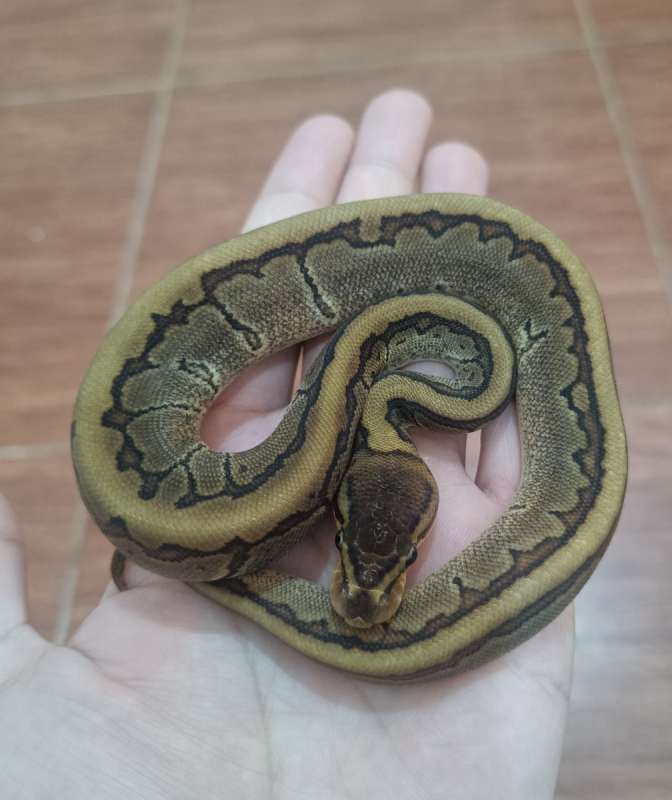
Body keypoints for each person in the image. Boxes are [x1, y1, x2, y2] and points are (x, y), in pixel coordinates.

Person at [0, 89, 573, 799]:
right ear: (335, 493)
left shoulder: (378, 418)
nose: (364, 598)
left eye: (388, 565)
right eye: (387, 565)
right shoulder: (383, 413)